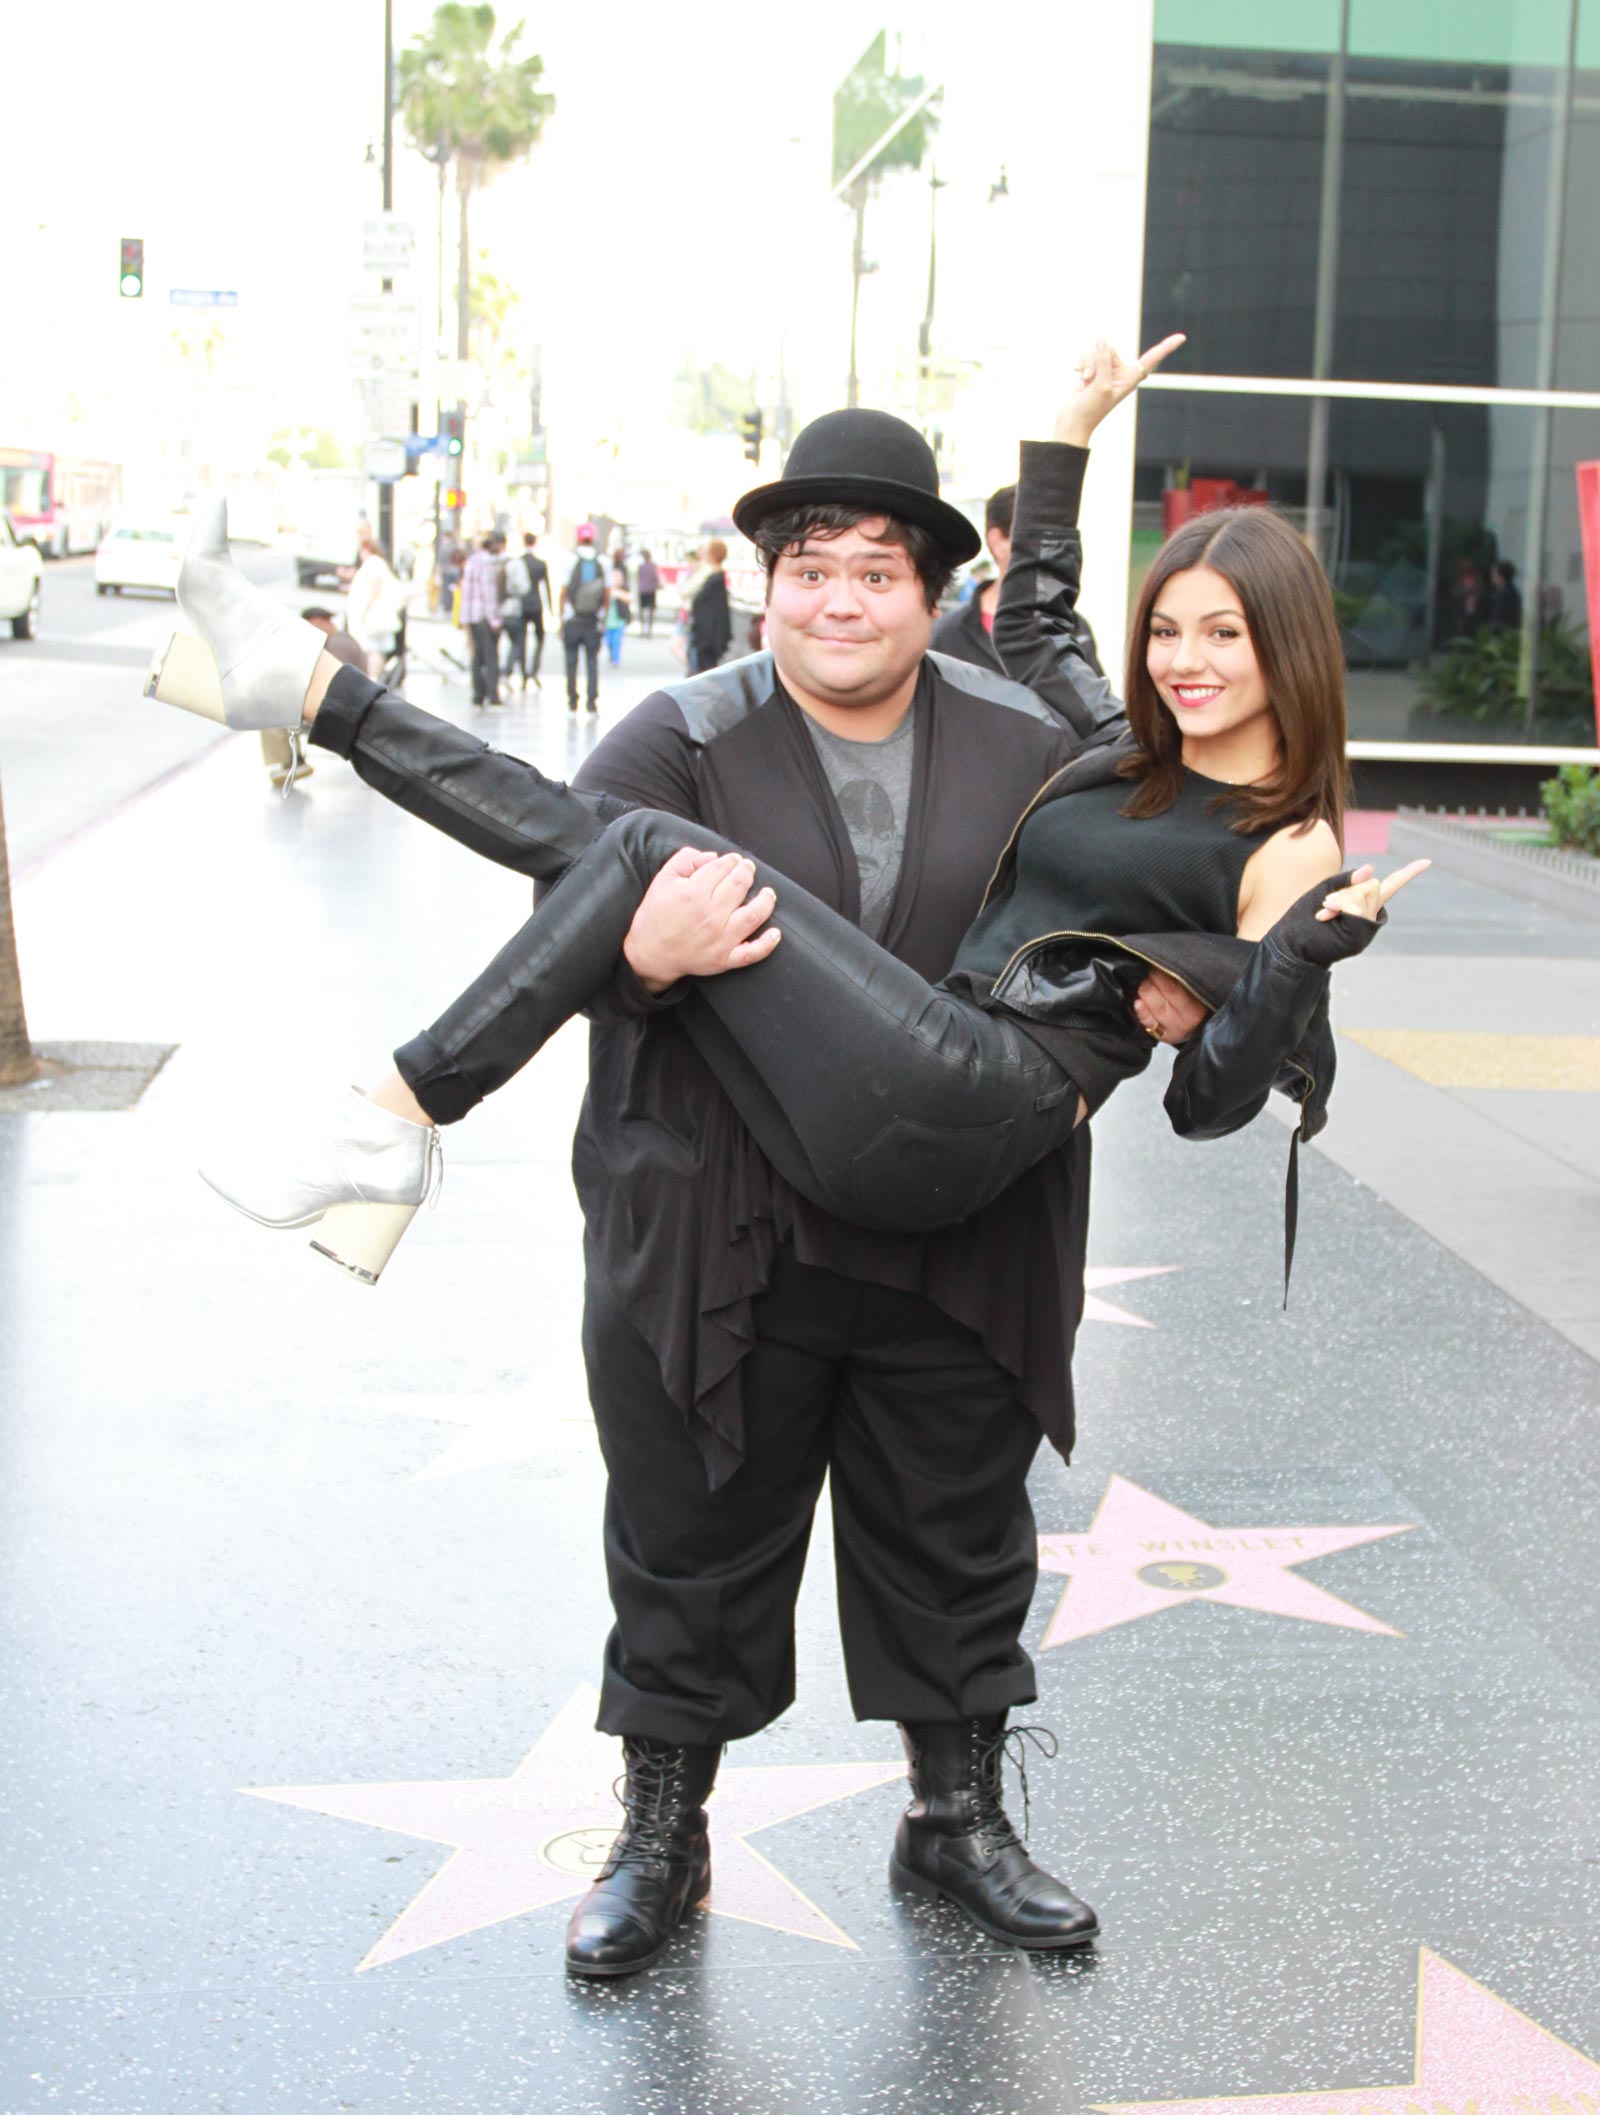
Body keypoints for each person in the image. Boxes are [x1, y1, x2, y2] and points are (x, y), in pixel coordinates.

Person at [148, 337, 1420, 1985]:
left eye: (875, 570)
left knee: (958, 1542)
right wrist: (650, 960)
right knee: (688, 1533)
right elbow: (590, 906)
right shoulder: (796, 727)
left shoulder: (1118, 774)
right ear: (765, 587)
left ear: (922, 590)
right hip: (729, 1227)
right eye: (807, 569)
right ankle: (661, 1833)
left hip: (967, 1191)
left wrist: (1283, 962)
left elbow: (1214, 1075)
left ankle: (955, 1821)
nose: (839, 600)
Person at [932, 483, 1102, 680]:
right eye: (1036, 539)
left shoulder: (1074, 627)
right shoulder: (947, 635)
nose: (1050, 550)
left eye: (1055, 540)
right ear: (998, 541)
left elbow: (1093, 705)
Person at [257, 609, 362, 788]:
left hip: (341, 708)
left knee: (273, 712)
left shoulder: (338, 645)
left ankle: (291, 762)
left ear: (319, 621)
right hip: (343, 704)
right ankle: (292, 760)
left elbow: (331, 683)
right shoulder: (340, 641)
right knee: (278, 705)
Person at [344, 532, 405, 682]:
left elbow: (374, 587)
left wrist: (365, 610)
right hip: (376, 615)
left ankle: (374, 678)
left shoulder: (373, 563)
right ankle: (375, 677)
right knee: (375, 650)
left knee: (373, 649)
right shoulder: (377, 563)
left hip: (374, 616)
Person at [562, 528, 608, 713]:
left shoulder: (569, 560)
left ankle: (572, 702)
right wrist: (602, 617)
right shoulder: (603, 562)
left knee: (571, 661)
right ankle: (591, 703)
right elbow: (607, 593)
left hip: (572, 619)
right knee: (592, 662)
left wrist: (561, 618)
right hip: (592, 621)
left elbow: (563, 592)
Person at [501, 532, 552, 689]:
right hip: (536, 605)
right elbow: (546, 587)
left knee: (521, 639)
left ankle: (523, 672)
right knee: (539, 639)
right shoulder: (539, 563)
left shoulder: (519, 562)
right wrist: (551, 607)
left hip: (522, 605)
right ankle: (533, 669)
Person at [459, 532, 503, 707]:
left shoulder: (471, 561)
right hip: (484, 616)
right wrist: (494, 619)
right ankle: (492, 694)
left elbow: (466, 592)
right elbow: (488, 592)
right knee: (491, 655)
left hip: (472, 616)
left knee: (477, 656)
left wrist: (464, 618)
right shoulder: (487, 562)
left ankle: (478, 693)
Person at [686, 538, 732, 673]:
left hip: (707, 636)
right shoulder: (716, 576)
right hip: (708, 634)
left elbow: (692, 594)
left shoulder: (712, 576)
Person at [604, 554, 631, 666]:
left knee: (616, 641)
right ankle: (611, 655)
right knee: (608, 641)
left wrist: (618, 594)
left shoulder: (622, 590)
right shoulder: (607, 591)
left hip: (619, 620)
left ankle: (615, 659)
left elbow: (629, 599)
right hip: (608, 620)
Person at [1490, 559, 1523, 634]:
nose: (1492, 577)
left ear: (1501, 576)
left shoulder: (1505, 594)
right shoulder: (1510, 591)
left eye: (1494, 574)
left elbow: (1501, 617)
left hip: (1506, 633)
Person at [636, 549, 660, 636]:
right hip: (650, 590)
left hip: (643, 590)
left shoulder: (641, 566)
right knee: (650, 611)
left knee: (643, 611)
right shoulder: (652, 566)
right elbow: (656, 577)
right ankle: (649, 630)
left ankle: (643, 629)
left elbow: (638, 578)